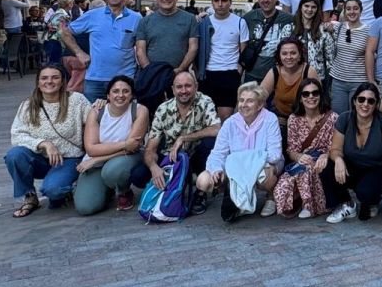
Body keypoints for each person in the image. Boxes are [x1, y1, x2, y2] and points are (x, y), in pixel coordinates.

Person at [4, 65, 89, 217]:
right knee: (15, 155)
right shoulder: (28, 105)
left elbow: (93, 122)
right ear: (38, 82)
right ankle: (29, 196)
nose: (49, 82)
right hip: (41, 160)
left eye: (55, 77)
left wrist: (102, 105)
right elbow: (16, 135)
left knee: (54, 192)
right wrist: (44, 143)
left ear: (63, 81)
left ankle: (66, 186)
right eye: (44, 78)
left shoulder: (77, 100)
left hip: (69, 159)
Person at [130, 71, 222, 209]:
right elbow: (150, 148)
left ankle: (200, 192)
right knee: (138, 175)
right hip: (172, 159)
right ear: (173, 89)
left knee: (210, 143)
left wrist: (184, 138)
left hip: (196, 157)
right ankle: (168, 186)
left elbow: (217, 129)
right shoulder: (163, 109)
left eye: (188, 86)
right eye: (179, 87)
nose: (183, 91)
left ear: (196, 87)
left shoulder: (205, 101)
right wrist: (154, 167)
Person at [197, 83, 284, 222]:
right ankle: (236, 197)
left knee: (265, 174)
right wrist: (216, 169)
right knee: (203, 180)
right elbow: (217, 153)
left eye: (250, 101)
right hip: (236, 167)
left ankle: (271, 196)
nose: (244, 104)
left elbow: (275, 154)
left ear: (260, 104)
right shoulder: (230, 123)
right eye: (241, 100)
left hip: (263, 165)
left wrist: (245, 161)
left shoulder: (270, 119)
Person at [323, 82, 382, 222]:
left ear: (376, 105)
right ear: (354, 101)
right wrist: (338, 160)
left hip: (376, 167)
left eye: (370, 101)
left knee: (365, 193)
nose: (365, 104)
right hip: (352, 164)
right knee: (326, 167)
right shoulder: (344, 119)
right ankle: (346, 203)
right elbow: (335, 149)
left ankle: (372, 201)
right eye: (361, 99)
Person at [74, 74, 150, 215]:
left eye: (125, 91)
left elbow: (133, 147)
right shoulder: (97, 111)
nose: (120, 95)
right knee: (85, 208)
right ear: (108, 95)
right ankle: (106, 189)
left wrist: (98, 158)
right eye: (115, 91)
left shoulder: (139, 111)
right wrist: (125, 143)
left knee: (112, 171)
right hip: (97, 163)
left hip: (126, 158)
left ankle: (123, 191)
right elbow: (91, 149)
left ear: (132, 95)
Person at [60, 0, 141, 102]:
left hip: (124, 79)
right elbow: (65, 32)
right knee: (92, 117)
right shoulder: (93, 15)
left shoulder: (136, 18)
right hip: (95, 78)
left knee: (123, 119)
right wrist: (79, 53)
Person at [272, 80, 337, 218]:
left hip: (324, 159)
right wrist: (299, 157)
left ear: (321, 95)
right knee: (284, 184)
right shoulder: (294, 119)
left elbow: (336, 146)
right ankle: (298, 203)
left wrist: (326, 156)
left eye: (315, 93)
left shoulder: (332, 118)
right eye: (306, 94)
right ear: (300, 99)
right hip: (303, 160)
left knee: (309, 171)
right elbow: (291, 150)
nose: (311, 97)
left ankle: (310, 206)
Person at [196, 0, 249, 121]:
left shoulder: (239, 22)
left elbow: (243, 48)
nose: (220, 4)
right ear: (212, 2)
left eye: (224, 0)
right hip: (208, 73)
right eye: (216, 0)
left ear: (230, 2)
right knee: (206, 116)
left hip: (229, 73)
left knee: (226, 117)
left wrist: (240, 68)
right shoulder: (204, 22)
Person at [135, 0, 200, 83]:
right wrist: (150, 72)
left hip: (180, 79)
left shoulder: (190, 19)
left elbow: (193, 48)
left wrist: (179, 70)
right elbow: (140, 50)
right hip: (151, 78)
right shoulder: (145, 21)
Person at [241, 0, 293, 84]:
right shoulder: (249, 17)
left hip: (277, 76)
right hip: (252, 75)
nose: (265, 0)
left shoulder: (288, 19)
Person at [261, 38, 320, 120]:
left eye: (293, 53)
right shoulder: (274, 72)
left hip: (304, 117)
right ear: (279, 56)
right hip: (279, 117)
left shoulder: (309, 72)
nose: (289, 57)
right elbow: (259, 97)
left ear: (300, 55)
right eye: (284, 54)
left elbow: (318, 99)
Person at [330, 0, 371, 115]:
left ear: (360, 10)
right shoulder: (339, 27)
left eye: (355, 8)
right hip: (338, 81)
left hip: (358, 81)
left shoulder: (369, 30)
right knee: (338, 117)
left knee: (357, 115)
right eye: (348, 9)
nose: (352, 12)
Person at [286, 0, 335, 82]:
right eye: (306, 6)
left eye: (313, 7)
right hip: (292, 77)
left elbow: (330, 59)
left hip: (316, 79)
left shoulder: (323, 31)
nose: (309, 10)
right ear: (301, 7)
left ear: (317, 9)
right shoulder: (289, 29)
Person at [43, 0, 74, 65]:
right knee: (55, 63)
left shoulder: (59, 12)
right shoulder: (62, 14)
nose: (72, 4)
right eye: (72, 2)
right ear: (68, 4)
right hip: (57, 41)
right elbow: (60, 30)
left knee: (54, 62)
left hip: (54, 40)